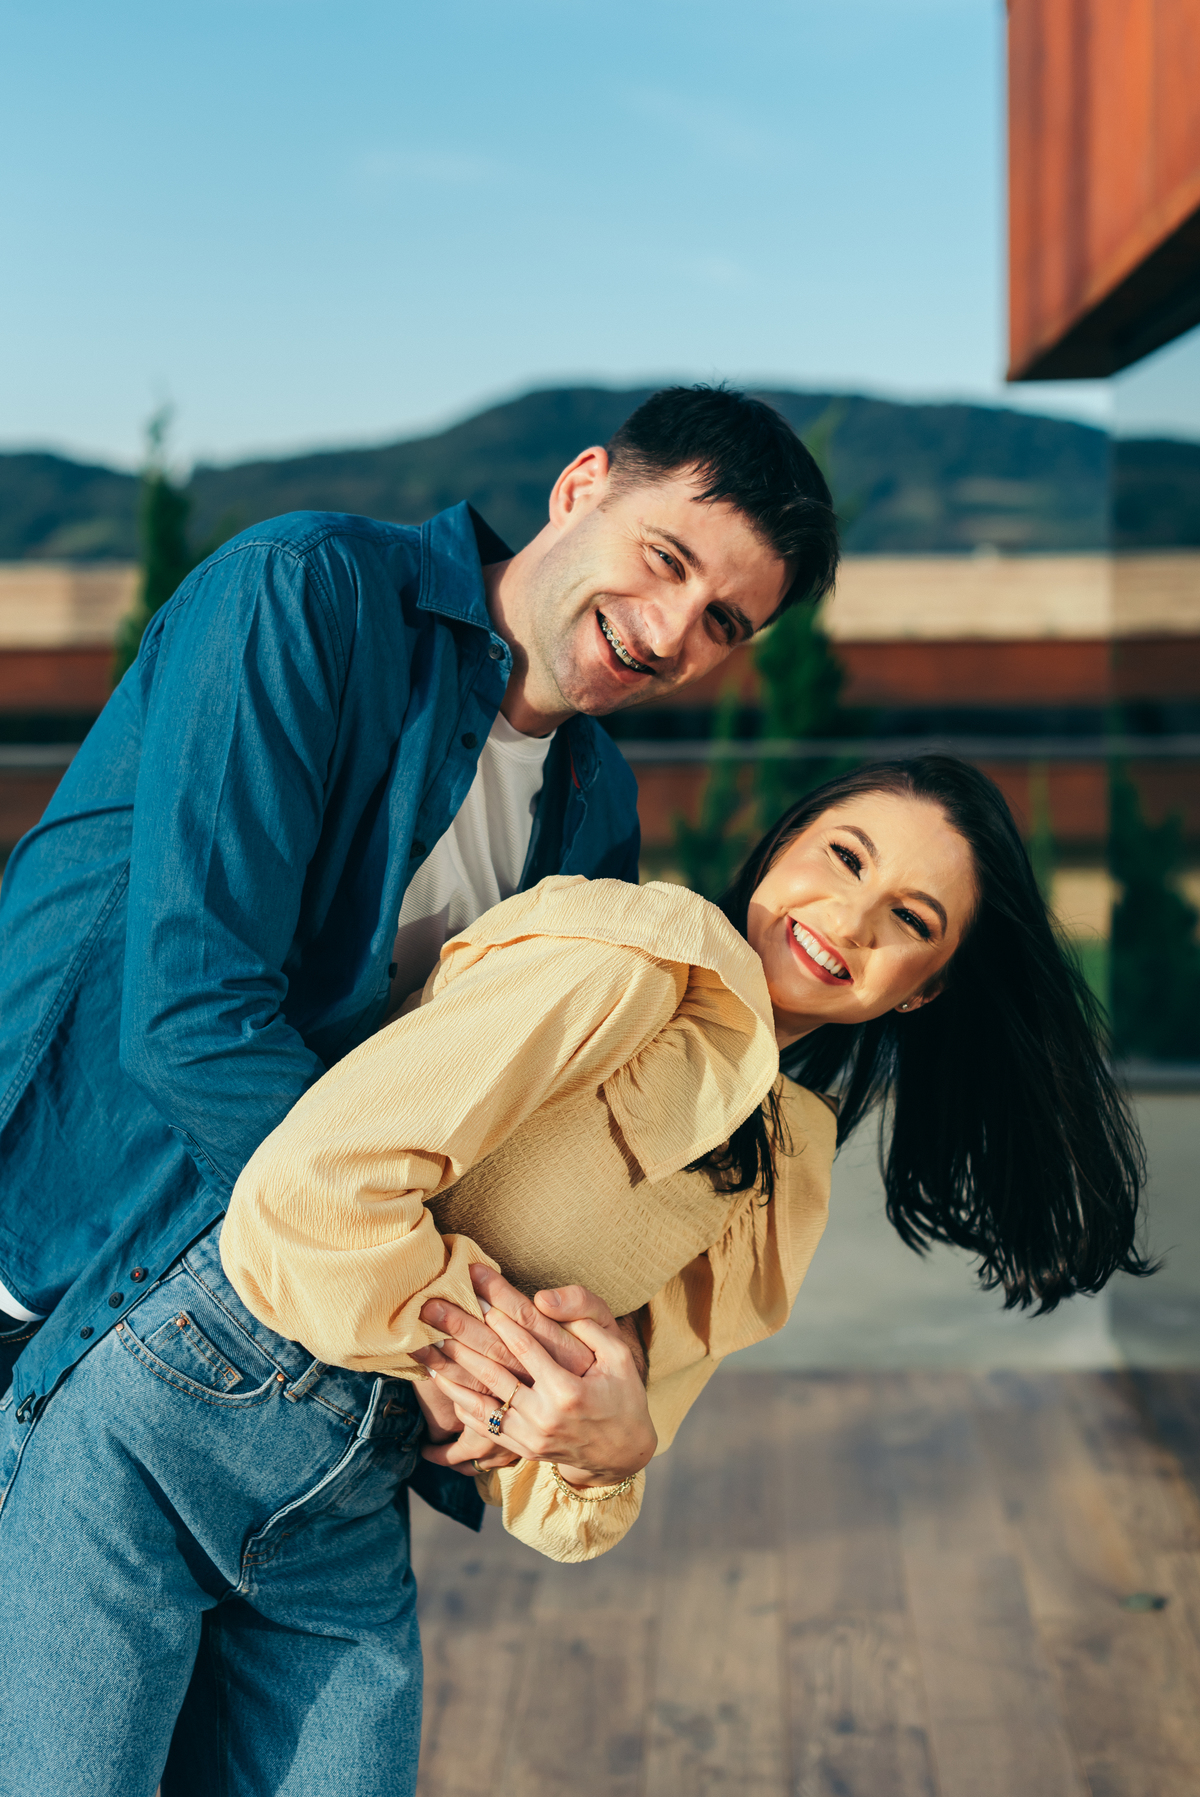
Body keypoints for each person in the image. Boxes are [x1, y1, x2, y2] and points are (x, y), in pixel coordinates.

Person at [1, 755, 1147, 1795]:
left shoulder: (776, 1173)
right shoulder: (634, 957)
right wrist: (458, 1349)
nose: (848, 917)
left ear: (923, 989)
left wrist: (605, 1444)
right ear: (789, 837)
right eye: (844, 856)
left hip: (345, 1498)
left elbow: (565, 1493)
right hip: (173, 1403)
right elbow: (309, 1190)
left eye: (909, 919)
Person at [0, 385, 837, 1795]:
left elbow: (504, 1140)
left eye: (725, 625)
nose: (673, 630)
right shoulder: (306, 593)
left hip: (286, 1347)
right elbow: (197, 1012)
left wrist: (566, 1398)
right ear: (583, 488)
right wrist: (444, 1317)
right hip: (61, 1257)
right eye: (670, 560)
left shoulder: (594, 807)